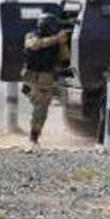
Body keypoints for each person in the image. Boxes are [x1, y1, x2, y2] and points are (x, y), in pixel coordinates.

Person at [21, 13, 69, 146]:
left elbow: (64, 59)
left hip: (46, 78)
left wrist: (62, 44)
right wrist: (56, 39)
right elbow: (34, 45)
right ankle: (33, 138)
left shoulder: (56, 41)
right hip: (32, 77)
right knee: (40, 106)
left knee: (43, 109)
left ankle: (35, 135)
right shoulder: (32, 35)